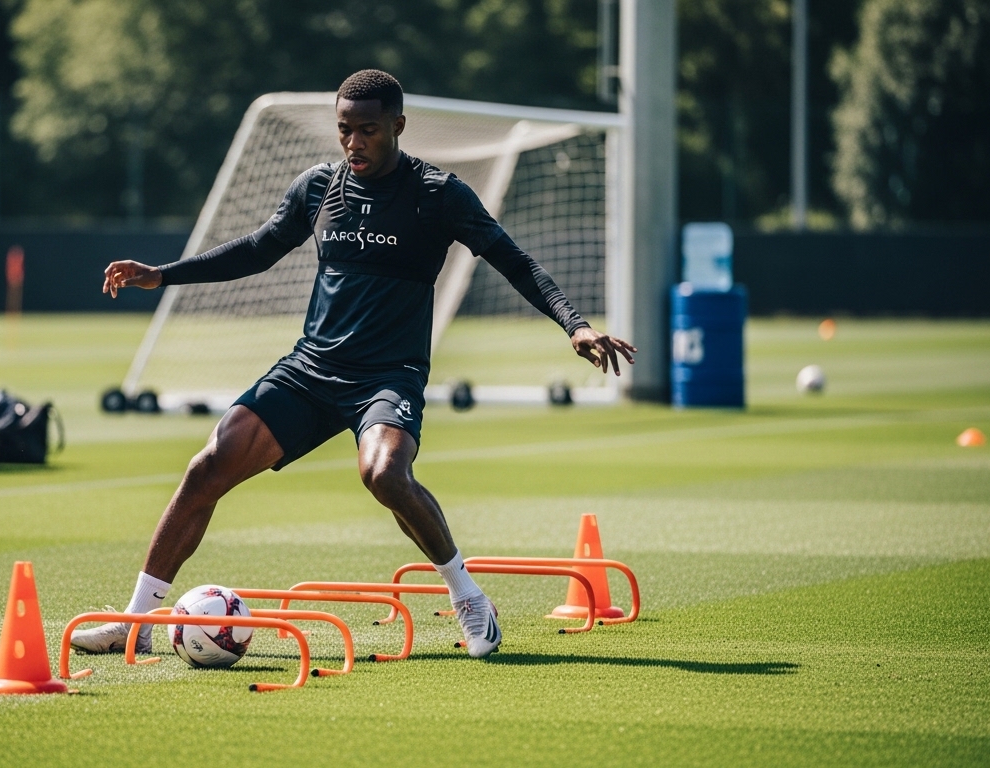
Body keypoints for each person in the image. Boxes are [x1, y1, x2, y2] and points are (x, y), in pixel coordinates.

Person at [72, 69, 636, 659]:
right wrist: (164, 274)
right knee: (206, 466)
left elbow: (514, 261)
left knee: (384, 474)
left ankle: (469, 598)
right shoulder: (319, 186)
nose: (354, 143)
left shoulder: (439, 194)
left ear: (397, 126)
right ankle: (133, 621)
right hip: (311, 370)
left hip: (389, 376)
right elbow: (259, 249)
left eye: (367, 130)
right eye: (345, 130)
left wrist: (576, 324)